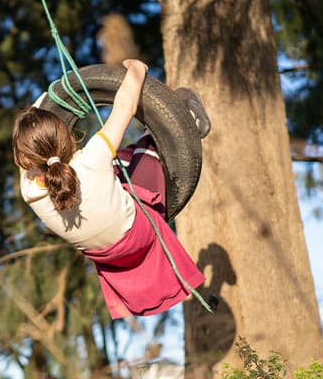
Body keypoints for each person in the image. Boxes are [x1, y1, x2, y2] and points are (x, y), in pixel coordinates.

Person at [12, 59, 205, 319]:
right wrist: (137, 69)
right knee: (149, 146)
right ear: (68, 135)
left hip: (110, 259)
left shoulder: (28, 190)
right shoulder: (92, 158)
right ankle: (190, 119)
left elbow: (27, 152)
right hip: (140, 233)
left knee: (119, 162)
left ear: (24, 159)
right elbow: (126, 105)